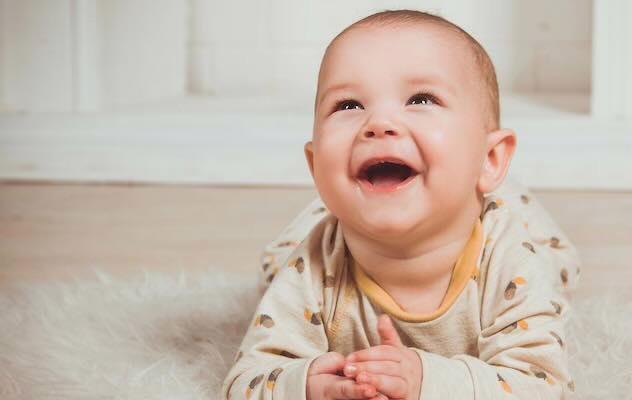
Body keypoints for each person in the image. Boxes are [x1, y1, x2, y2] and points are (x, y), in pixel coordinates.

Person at [222, 9, 581, 400]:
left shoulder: (512, 262)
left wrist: (427, 379)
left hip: (513, 218)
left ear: (489, 159)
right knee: (277, 263)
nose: (378, 123)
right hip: (337, 214)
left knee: (556, 268)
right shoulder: (314, 265)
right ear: (315, 165)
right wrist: (308, 385)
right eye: (348, 106)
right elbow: (246, 381)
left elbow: (544, 386)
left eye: (420, 99)